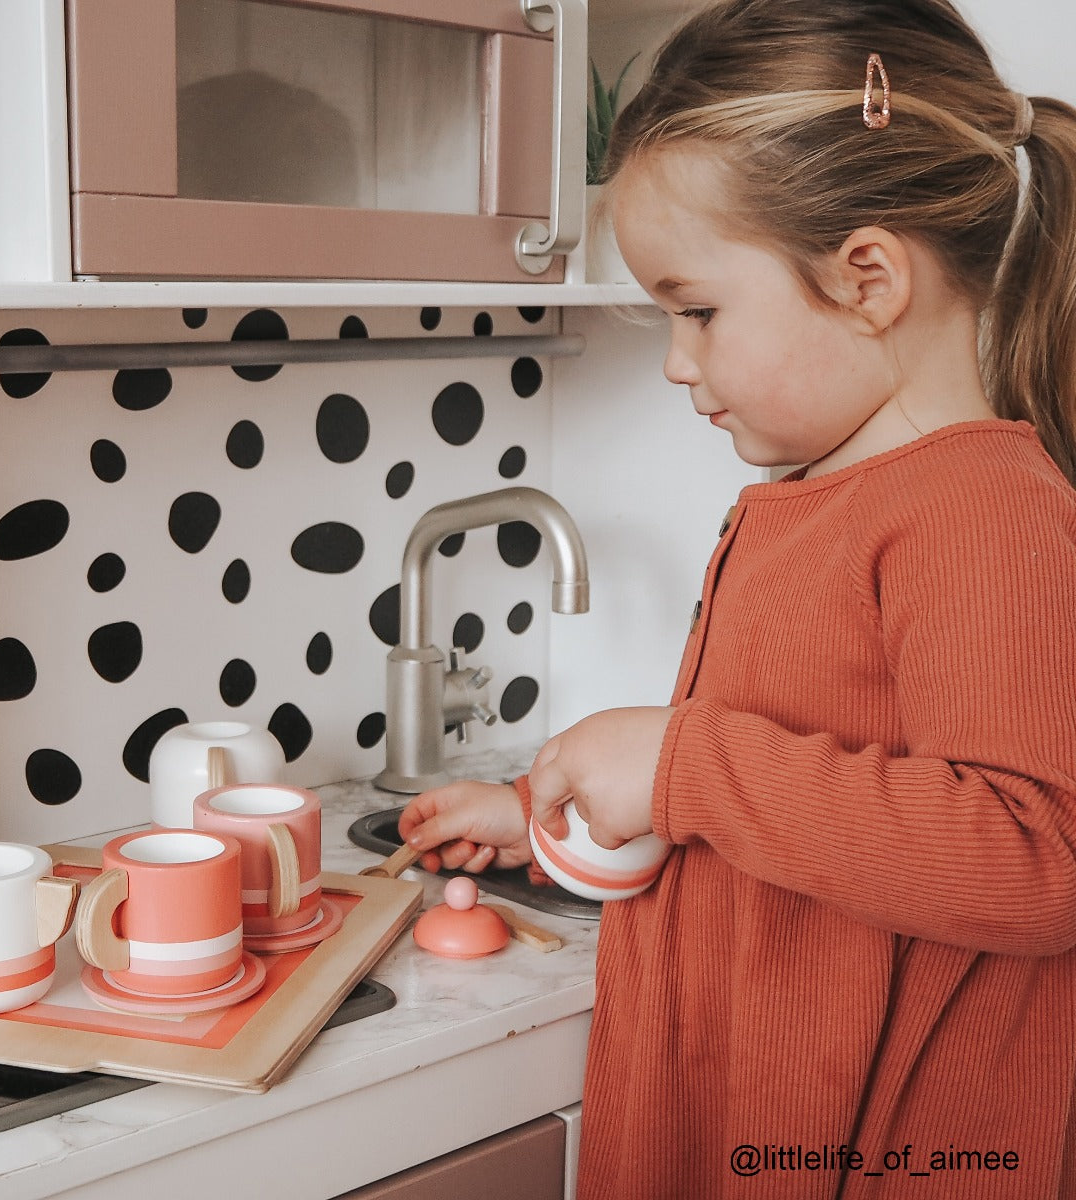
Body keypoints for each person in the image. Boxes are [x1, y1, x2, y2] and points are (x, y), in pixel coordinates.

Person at [398, 1, 1076, 1196]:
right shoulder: (825, 494)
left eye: (696, 309)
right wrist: (567, 830)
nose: (674, 360)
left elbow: (1038, 858)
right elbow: (814, 815)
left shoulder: (982, 508)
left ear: (866, 276)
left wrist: (683, 766)